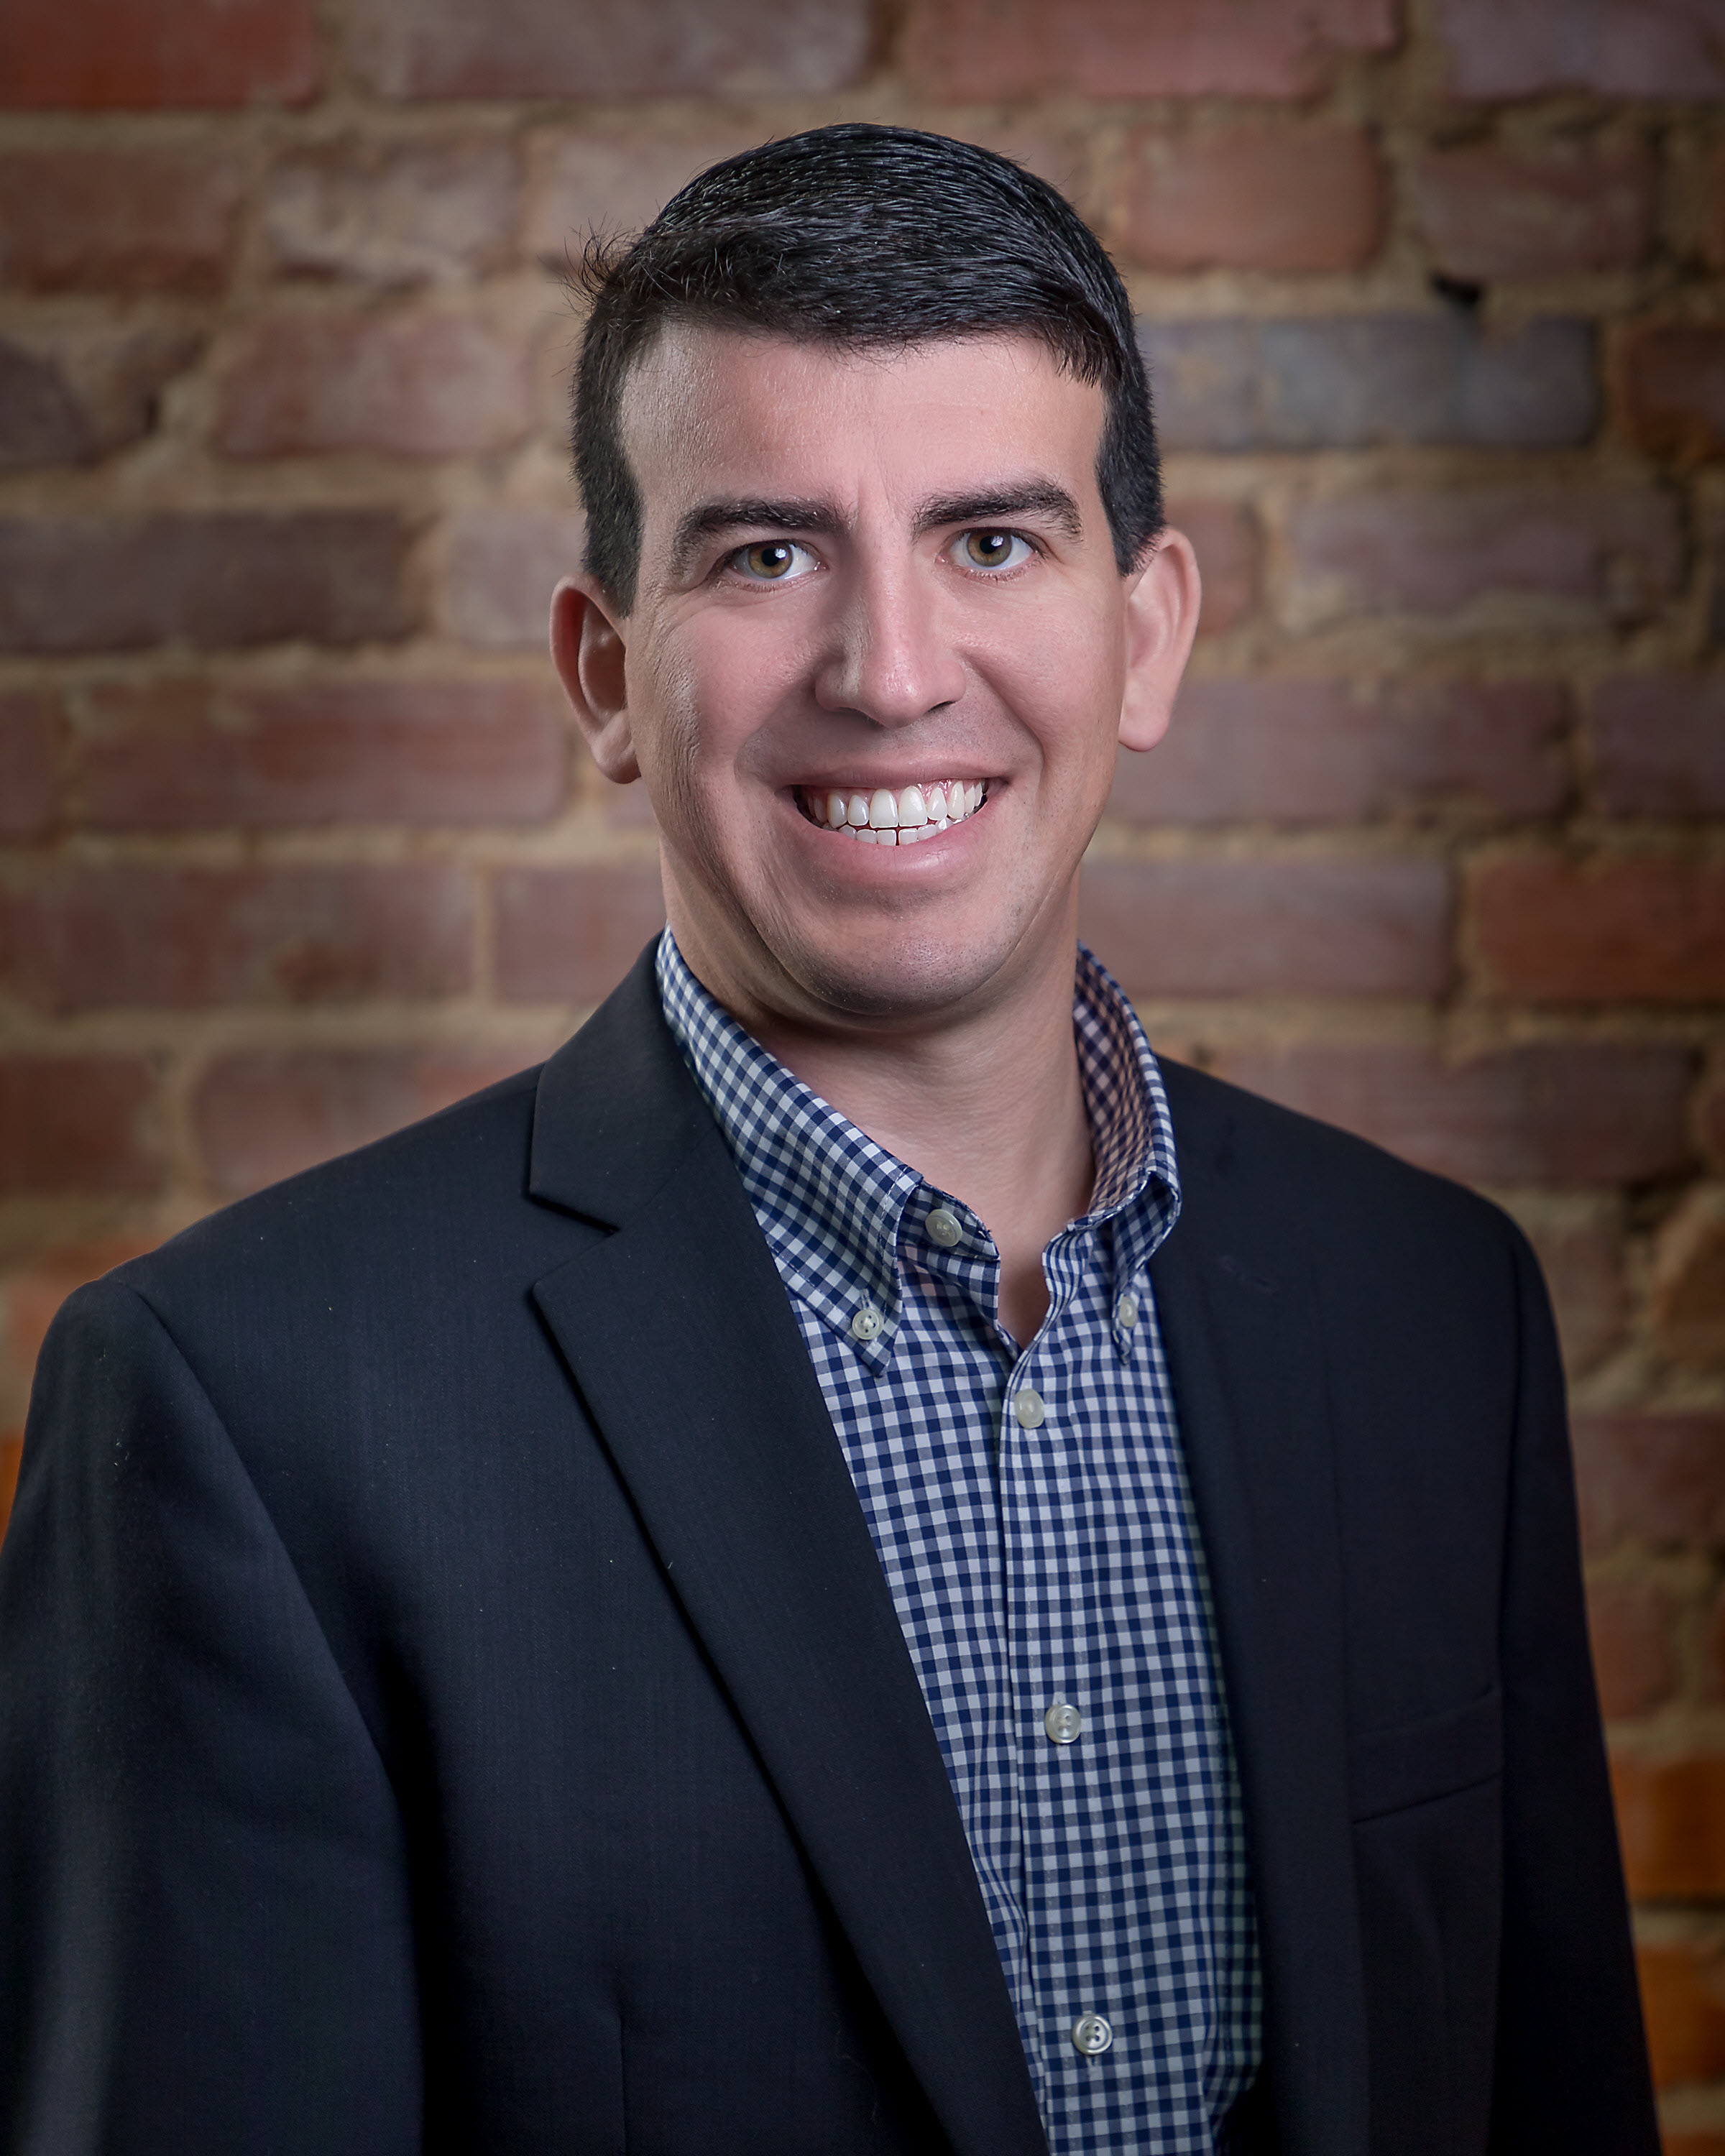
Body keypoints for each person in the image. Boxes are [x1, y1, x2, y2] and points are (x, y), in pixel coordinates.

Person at [0, 125, 1656, 2156]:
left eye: (993, 543)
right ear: (607, 675)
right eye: (767, 555)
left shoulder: (1433, 1311)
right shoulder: (246, 1410)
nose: (892, 675)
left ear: (1146, 634)